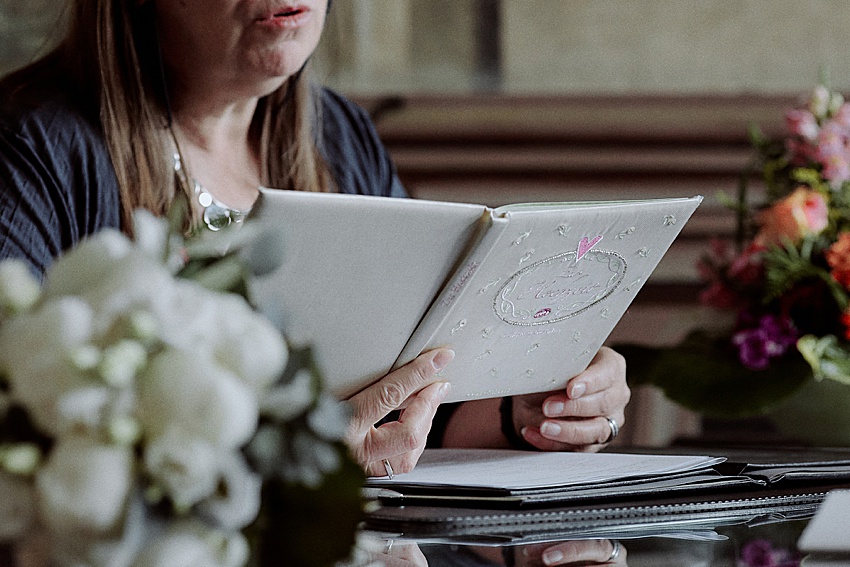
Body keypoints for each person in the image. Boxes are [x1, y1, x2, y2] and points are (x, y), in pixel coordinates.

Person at [0, 0, 630, 477]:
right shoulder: (29, 149)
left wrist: (529, 406)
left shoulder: (340, 138)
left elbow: (420, 396)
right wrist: (293, 466)